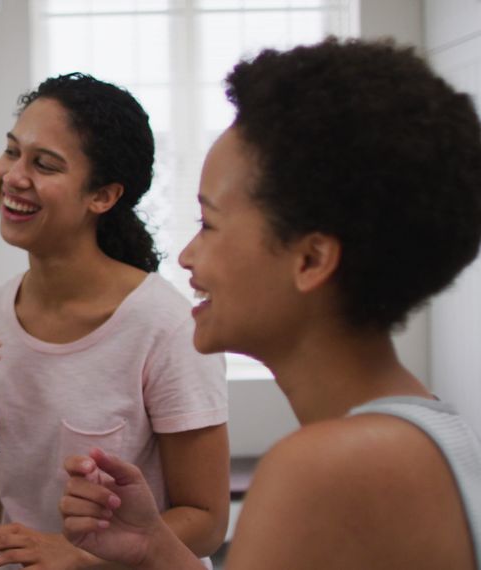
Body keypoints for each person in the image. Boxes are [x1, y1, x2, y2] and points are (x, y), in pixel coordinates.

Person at [60, 38, 481, 570]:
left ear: (310, 260)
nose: (188, 257)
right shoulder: (433, 428)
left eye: (209, 224)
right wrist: (155, 547)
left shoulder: (325, 468)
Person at [0, 73, 229, 569]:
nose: (14, 176)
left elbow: (208, 521)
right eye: (12, 151)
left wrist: (80, 558)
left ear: (102, 196)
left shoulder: (166, 327)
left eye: (45, 164)